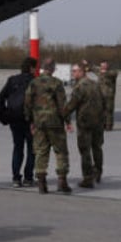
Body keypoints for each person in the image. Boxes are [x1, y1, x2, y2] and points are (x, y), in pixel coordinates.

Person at [24, 57, 73, 195]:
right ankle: (62, 181)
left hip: (39, 122)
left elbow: (27, 102)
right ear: (52, 68)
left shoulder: (34, 82)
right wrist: (68, 121)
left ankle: (41, 183)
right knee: (61, 151)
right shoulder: (57, 83)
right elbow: (62, 105)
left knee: (41, 151)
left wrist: (30, 120)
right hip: (55, 122)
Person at [63, 62, 105, 188]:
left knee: (85, 151)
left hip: (85, 123)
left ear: (82, 72)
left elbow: (71, 105)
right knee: (97, 148)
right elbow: (104, 100)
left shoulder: (80, 87)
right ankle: (98, 172)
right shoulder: (95, 84)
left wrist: (63, 116)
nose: (73, 73)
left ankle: (88, 178)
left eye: (75, 71)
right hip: (98, 122)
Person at [0, 56, 37, 188]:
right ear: (31, 68)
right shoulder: (35, 81)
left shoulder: (12, 80)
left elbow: (1, 96)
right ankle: (28, 177)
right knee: (32, 149)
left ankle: (15, 178)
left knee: (17, 148)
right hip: (30, 120)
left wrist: (3, 114)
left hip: (14, 118)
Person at [95, 60, 118, 131]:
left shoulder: (112, 72)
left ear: (107, 65)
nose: (103, 67)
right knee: (101, 111)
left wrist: (105, 72)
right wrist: (86, 63)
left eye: (104, 65)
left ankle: (109, 125)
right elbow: (93, 68)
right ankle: (102, 125)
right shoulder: (99, 71)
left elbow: (114, 74)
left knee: (109, 111)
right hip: (100, 94)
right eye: (101, 66)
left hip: (109, 95)